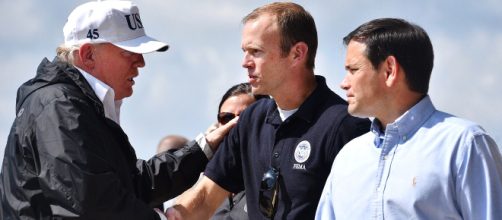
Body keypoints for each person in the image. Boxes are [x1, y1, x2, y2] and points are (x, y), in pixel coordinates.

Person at [0, 1, 232, 219]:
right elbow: (92, 204)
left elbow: (131, 183)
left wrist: (204, 148)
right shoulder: (59, 106)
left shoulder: (69, 104)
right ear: (88, 55)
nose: (141, 62)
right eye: (128, 52)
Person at [167, 2, 370, 219]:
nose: (245, 62)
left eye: (256, 51)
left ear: (297, 53)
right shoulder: (251, 120)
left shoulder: (346, 126)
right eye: (245, 52)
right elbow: (206, 196)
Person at [315, 18, 502, 220]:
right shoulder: (347, 158)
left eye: (353, 70)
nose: (343, 83)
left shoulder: (464, 146)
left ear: (389, 70)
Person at [211, 82, 268, 220]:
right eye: (226, 118)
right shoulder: (204, 184)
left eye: (244, 118)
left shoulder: (272, 180)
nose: (233, 125)